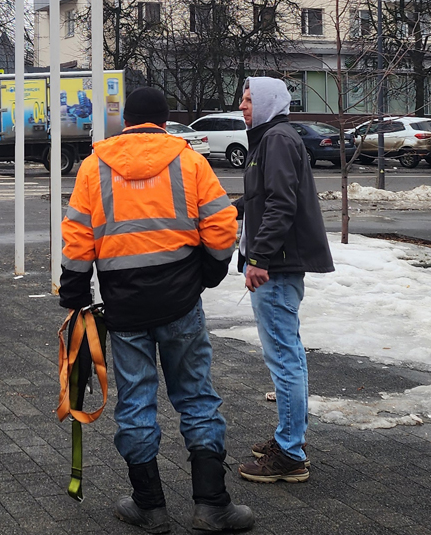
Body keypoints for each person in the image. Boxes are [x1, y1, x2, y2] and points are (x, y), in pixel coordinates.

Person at [61, 86, 253, 533]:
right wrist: (207, 272)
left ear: (125, 121)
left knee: (136, 402)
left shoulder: (94, 167)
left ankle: (150, 506)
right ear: (164, 121)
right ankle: (212, 506)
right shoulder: (189, 161)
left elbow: (76, 237)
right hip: (180, 303)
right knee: (197, 397)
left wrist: (74, 292)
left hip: (125, 307)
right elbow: (223, 223)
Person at [236, 77, 334, 483]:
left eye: (248, 99)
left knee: (284, 359)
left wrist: (259, 257)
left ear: (269, 102)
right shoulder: (273, 138)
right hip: (279, 262)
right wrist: (232, 210)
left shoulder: (276, 139)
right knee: (289, 353)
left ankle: (290, 454)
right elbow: (264, 197)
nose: (242, 105)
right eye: (242, 99)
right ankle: (291, 437)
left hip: (274, 266)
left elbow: (281, 202)